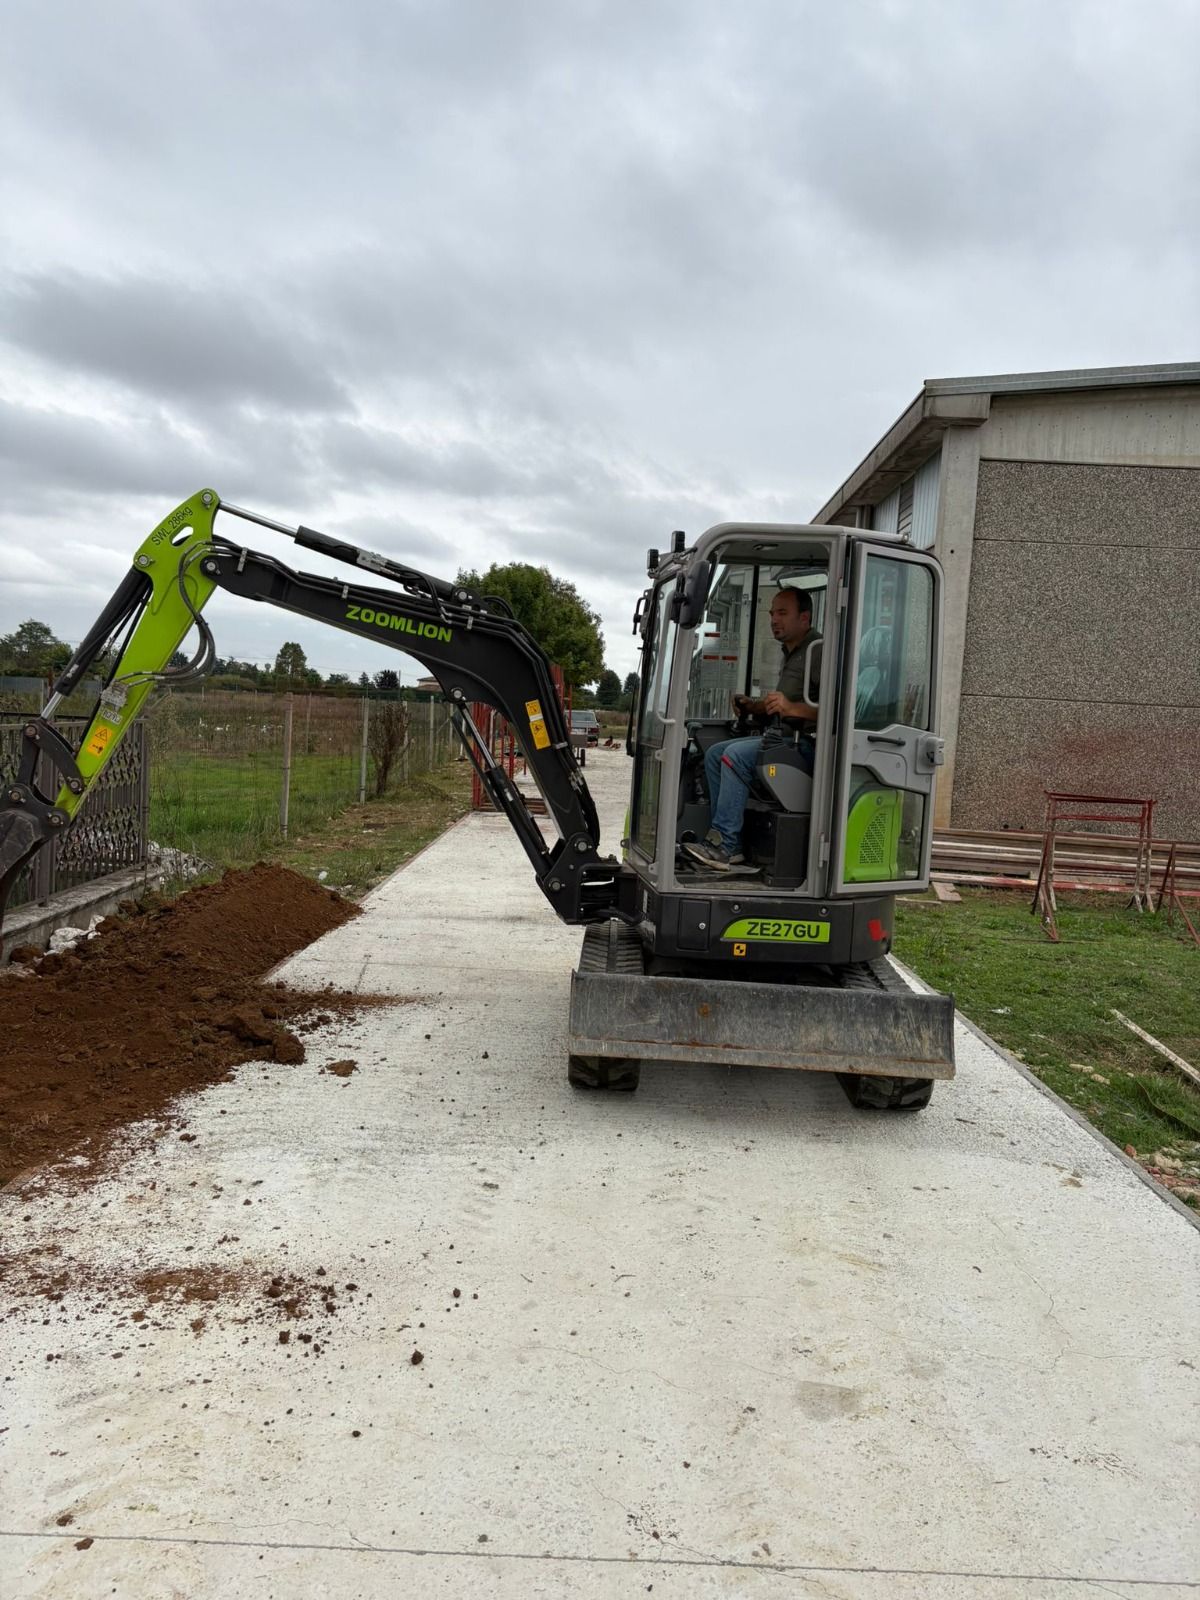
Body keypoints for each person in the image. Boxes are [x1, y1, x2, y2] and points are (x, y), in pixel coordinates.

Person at [683, 587, 821, 872]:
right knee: (715, 754)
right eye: (772, 613)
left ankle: (725, 845)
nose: (773, 619)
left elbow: (839, 710)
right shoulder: (791, 652)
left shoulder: (819, 652)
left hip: (807, 745)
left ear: (804, 617)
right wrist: (751, 705)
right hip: (782, 739)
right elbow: (781, 704)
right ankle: (725, 841)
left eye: (782, 613)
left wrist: (793, 709)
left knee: (734, 755)